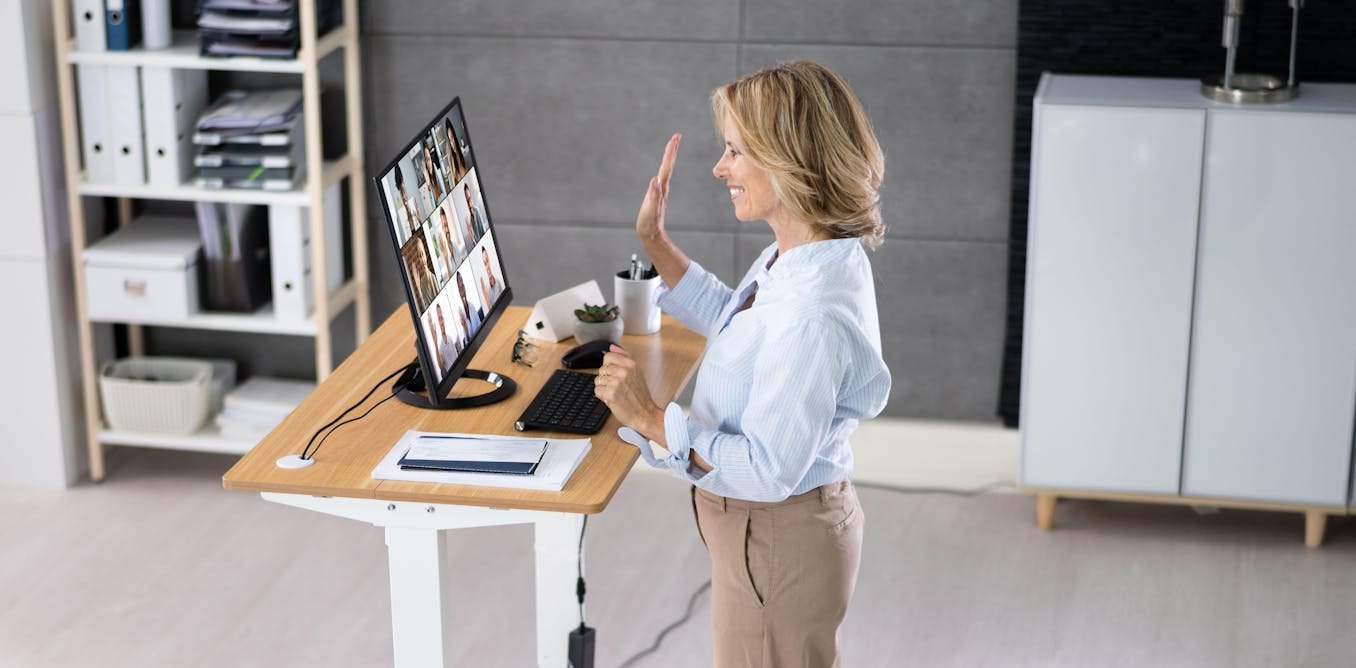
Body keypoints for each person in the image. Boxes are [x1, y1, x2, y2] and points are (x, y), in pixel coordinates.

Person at [591, 61, 890, 667]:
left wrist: (651, 418)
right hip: (771, 540)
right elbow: (740, 321)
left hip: (776, 540)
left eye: (734, 151)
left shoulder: (813, 312)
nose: (719, 167)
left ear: (787, 161)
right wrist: (656, 244)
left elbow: (766, 469)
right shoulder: (808, 251)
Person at [443, 117, 469, 183]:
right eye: (450, 140)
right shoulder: (453, 161)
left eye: (452, 137)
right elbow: (455, 183)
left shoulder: (463, 155)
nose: (452, 143)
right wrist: (449, 159)